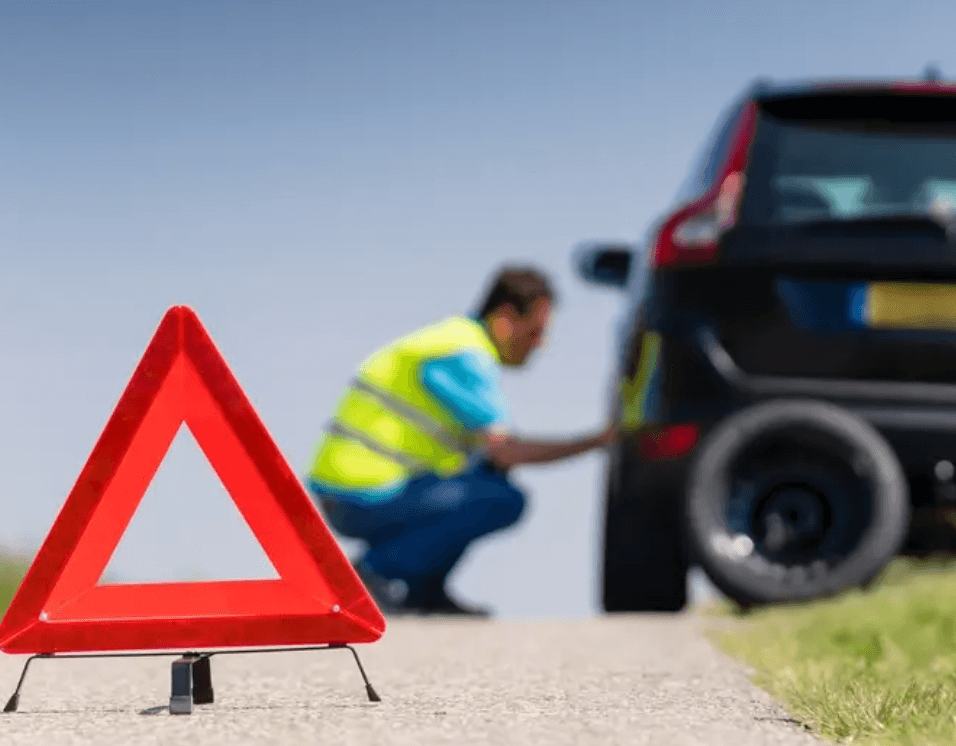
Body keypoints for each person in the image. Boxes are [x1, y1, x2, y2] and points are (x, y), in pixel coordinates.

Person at [304, 265, 618, 617]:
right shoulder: (462, 355)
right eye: (535, 332)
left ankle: (423, 591)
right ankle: (372, 573)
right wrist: (599, 440)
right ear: (504, 319)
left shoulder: (452, 339)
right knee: (500, 498)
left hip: (357, 490)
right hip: (361, 494)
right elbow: (507, 451)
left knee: (488, 478)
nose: (540, 345)